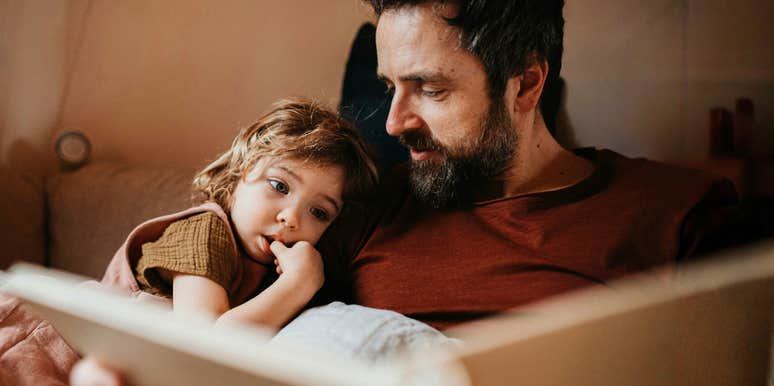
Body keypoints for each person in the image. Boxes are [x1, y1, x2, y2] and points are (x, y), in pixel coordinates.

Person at [72, 0, 738, 383]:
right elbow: (218, 318)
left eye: (431, 88)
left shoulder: (678, 210)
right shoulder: (357, 209)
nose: (394, 123)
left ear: (526, 87)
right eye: (391, 86)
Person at [104, 97, 379, 329]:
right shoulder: (204, 231)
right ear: (239, 174)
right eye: (279, 186)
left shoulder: (278, 268)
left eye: (319, 212)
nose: (292, 218)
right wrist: (299, 283)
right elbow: (206, 343)